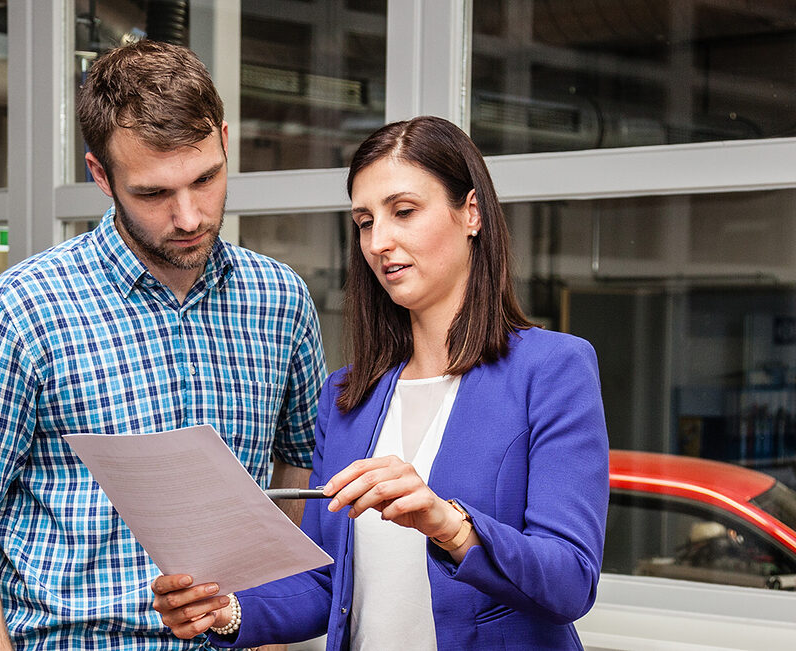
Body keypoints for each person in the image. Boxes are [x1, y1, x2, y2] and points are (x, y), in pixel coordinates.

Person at [0, 39, 326, 650]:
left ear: (226, 143)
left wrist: (267, 627)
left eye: (205, 178)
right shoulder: (22, 310)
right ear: (101, 175)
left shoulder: (280, 301)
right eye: (154, 194)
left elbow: (296, 471)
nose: (188, 216)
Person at [150, 116, 610, 649]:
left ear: (472, 213)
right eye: (365, 221)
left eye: (404, 212)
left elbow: (571, 581)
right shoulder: (347, 397)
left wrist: (448, 523)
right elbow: (326, 582)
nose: (380, 241)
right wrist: (226, 612)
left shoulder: (553, 369)